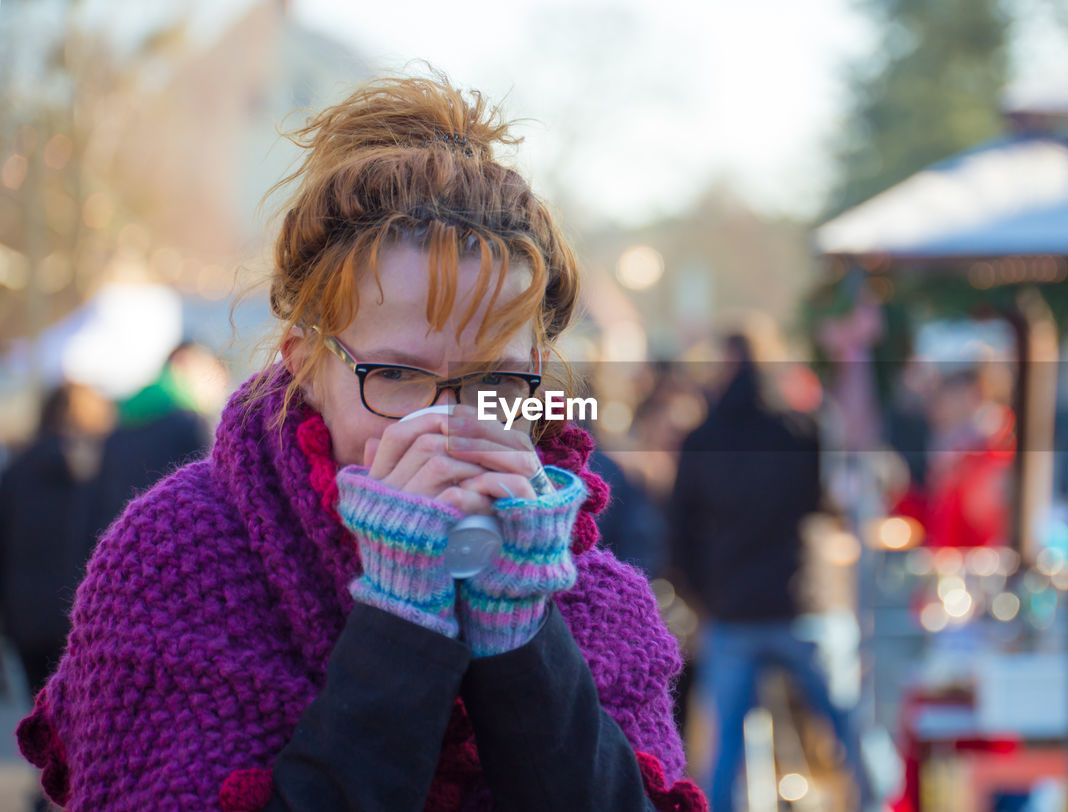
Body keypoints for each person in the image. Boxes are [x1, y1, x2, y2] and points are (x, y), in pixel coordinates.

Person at [18, 74, 704, 811]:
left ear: (535, 377)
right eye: (400, 376)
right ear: (306, 365)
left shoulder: (593, 593)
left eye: (495, 382)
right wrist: (402, 623)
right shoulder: (179, 555)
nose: (450, 424)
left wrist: (521, 636)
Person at [669, 333, 872, 811]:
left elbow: (678, 533)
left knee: (725, 753)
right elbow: (826, 502)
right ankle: (877, 802)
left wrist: (706, 594)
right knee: (849, 728)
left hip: (732, 609)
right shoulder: (798, 431)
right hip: (799, 599)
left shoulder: (702, 440)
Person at [0, 382, 113, 696]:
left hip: (24, 619)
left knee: (39, 715)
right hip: (79, 615)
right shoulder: (96, 470)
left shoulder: (15, 471)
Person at [90, 340, 224, 538]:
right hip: (175, 546)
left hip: (120, 546)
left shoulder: (120, 420)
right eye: (212, 370)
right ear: (183, 362)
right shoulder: (192, 425)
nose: (220, 382)